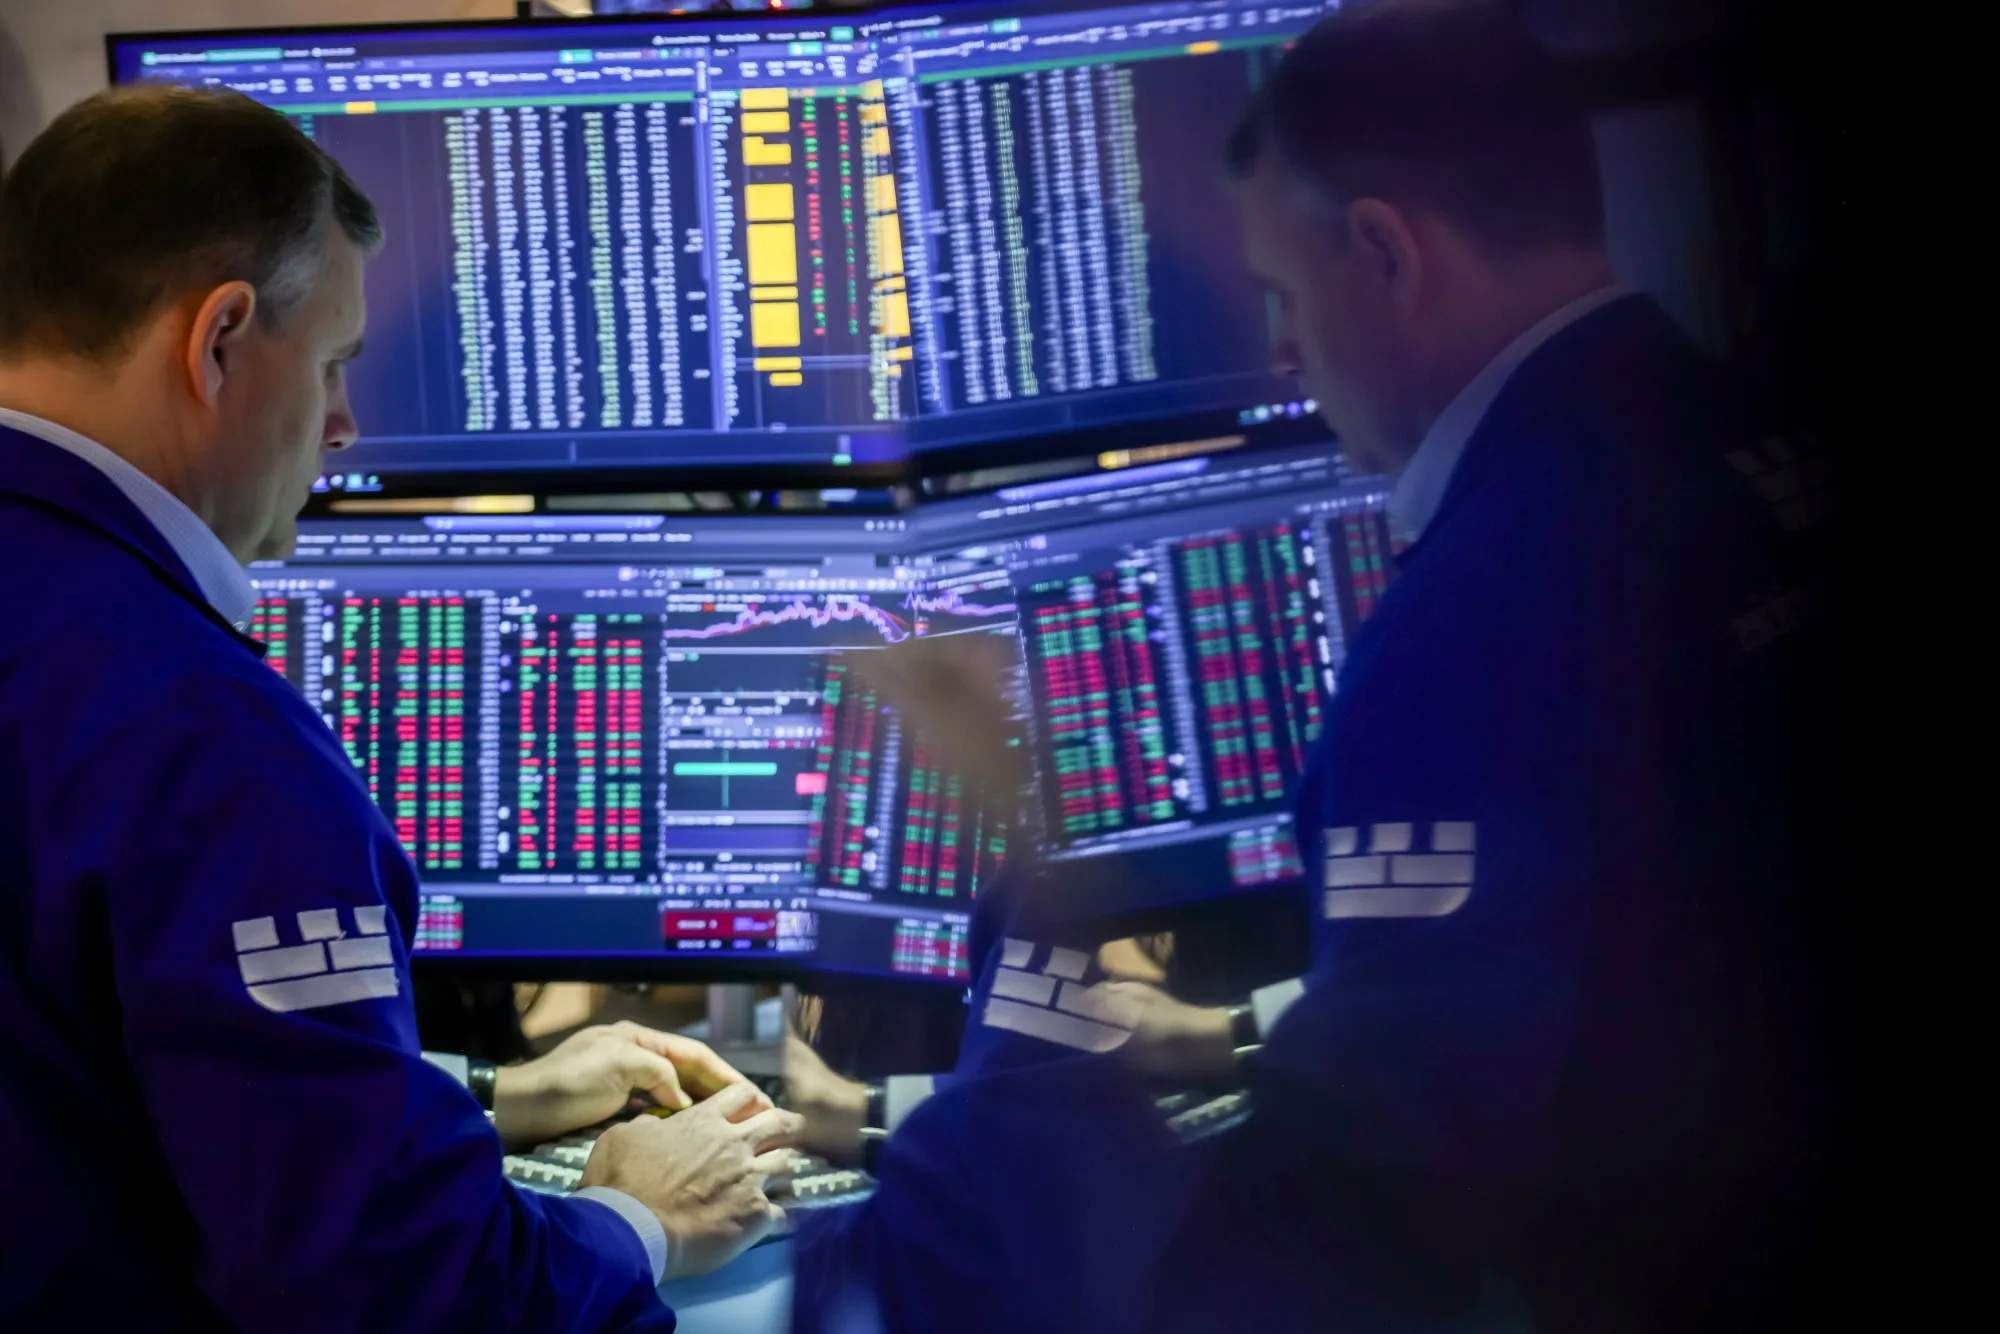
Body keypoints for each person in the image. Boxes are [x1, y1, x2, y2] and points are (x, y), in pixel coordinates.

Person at [789, 3, 1837, 1332]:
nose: (1282, 355)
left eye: (1281, 294)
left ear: (1388, 254)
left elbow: (1329, 1233)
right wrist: (1220, 1033)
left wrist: (1032, 856)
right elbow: (1607, 954)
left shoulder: (1475, 628)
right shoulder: (1749, 441)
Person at [0, 85, 802, 1331]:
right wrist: (638, 1218)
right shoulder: (200, 732)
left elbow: (85, 1082)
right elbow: (396, 1288)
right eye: (329, 363)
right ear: (215, 342)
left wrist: (477, 1093)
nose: (341, 426)